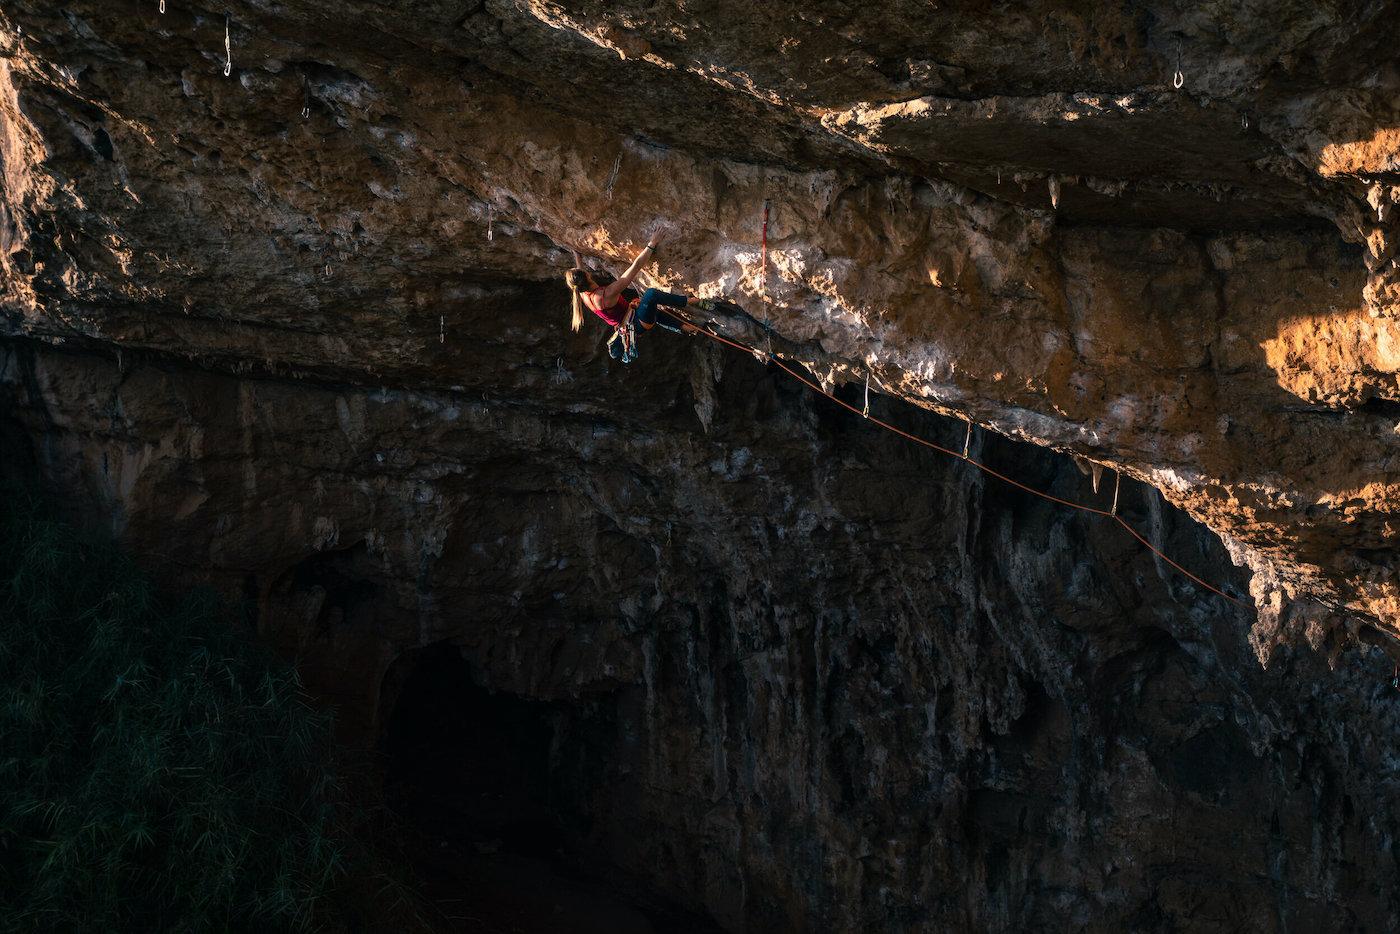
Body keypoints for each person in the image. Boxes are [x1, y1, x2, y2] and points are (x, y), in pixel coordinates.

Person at [565, 230, 716, 361]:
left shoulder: (583, 294)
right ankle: (691, 301)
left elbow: (580, 272)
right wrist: (652, 243)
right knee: (650, 295)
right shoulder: (605, 295)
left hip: (631, 320)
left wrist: (576, 254)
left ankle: (684, 327)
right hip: (637, 324)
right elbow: (636, 266)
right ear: (588, 276)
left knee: (650, 308)